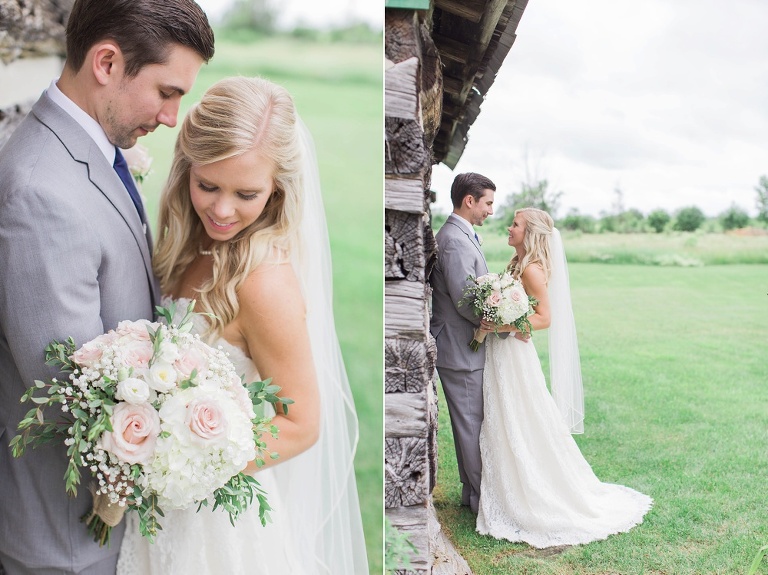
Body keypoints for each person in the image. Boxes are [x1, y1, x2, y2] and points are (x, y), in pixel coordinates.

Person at [116, 76, 368, 575]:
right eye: (207, 185)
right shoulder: (187, 245)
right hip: (155, 512)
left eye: (246, 193)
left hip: (214, 528)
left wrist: (184, 461)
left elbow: (300, 424)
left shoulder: (263, 284)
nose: (222, 209)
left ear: (277, 190)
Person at [0, 1, 214, 573]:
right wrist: (199, 439)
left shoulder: (92, 151)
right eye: (167, 92)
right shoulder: (41, 193)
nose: (173, 116)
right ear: (107, 62)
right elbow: (70, 396)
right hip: (68, 536)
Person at [475, 207, 653, 548]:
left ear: (530, 234)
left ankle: (534, 490)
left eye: (515, 224)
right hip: (505, 351)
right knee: (509, 417)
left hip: (513, 353)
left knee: (521, 417)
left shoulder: (531, 270)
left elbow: (544, 318)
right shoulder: (518, 264)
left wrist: (501, 325)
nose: (509, 228)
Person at [429, 172, 500, 514]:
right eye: (487, 203)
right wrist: (499, 320)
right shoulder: (455, 240)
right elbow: (464, 299)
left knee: (471, 422)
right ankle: (480, 500)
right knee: (471, 424)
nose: (490, 210)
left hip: (462, 346)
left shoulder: (462, 235)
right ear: (469, 201)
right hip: (460, 347)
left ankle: (472, 492)